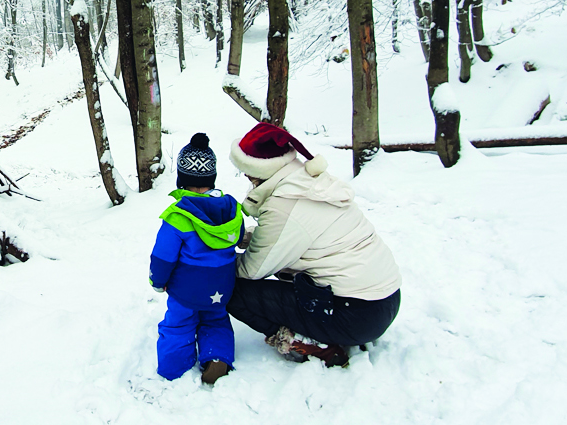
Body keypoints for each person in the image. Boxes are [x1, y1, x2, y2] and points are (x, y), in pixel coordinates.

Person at [226, 122, 401, 367]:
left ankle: (310, 345)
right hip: (383, 300)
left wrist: (213, 264)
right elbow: (291, 235)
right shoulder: (306, 181)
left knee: (231, 289)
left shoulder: (285, 204)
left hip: (355, 314)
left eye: (246, 169)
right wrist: (244, 237)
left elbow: (253, 269)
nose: (244, 175)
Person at [149, 133, 245, 384]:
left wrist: (158, 282)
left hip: (186, 290)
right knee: (216, 321)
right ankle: (217, 359)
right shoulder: (231, 211)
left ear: (182, 179)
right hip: (221, 288)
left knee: (178, 324)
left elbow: (163, 257)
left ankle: (174, 368)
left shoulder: (178, 216)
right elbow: (238, 237)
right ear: (211, 178)